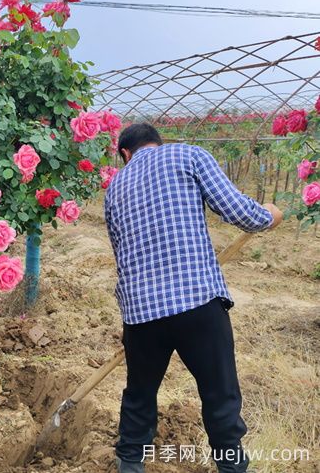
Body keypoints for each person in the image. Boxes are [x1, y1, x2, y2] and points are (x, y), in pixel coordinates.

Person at [103, 123, 283, 473]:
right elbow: (239, 212)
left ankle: (129, 464)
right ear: (157, 142)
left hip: (140, 313)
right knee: (219, 394)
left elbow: (119, 251)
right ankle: (232, 466)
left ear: (125, 154)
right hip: (196, 303)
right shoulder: (188, 154)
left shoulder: (114, 188)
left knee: (139, 396)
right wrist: (270, 215)